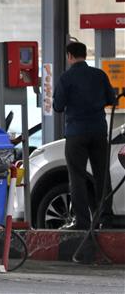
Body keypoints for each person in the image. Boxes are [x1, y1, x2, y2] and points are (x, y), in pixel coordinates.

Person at [53, 41, 116, 231]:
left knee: (77, 177)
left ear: (69, 56)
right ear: (85, 55)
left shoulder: (66, 78)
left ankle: (82, 222)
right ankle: (105, 218)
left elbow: (57, 107)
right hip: (98, 131)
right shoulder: (99, 75)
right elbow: (112, 99)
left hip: (76, 134)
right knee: (102, 176)